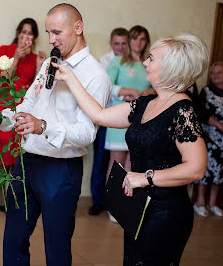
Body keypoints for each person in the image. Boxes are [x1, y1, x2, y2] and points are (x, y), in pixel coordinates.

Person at [52, 33, 208, 265]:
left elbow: (196, 168)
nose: (145, 62)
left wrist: (146, 178)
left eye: (152, 59)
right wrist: (71, 78)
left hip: (166, 213)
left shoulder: (183, 111)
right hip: (138, 207)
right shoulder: (145, 103)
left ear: (170, 68)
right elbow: (99, 115)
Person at [0, 3, 111, 266]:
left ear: (78, 28)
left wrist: (43, 126)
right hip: (26, 162)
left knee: (56, 246)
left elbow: (86, 133)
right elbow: (27, 105)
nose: (51, 40)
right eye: (48, 33)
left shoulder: (96, 75)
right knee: (13, 239)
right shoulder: (50, 62)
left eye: (57, 32)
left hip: (61, 171)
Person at [0, 18, 46, 211]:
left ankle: (14, 192)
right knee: (3, 149)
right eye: (24, 32)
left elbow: (37, 88)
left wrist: (39, 66)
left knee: (19, 149)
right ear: (18, 33)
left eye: (30, 33)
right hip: (4, 103)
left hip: (23, 106)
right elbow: (3, 78)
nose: (26, 36)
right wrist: (16, 57)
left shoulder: (36, 57)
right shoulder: (4, 51)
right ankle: (1, 190)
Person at [104, 25, 153, 221]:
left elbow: (155, 87)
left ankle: (125, 205)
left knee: (133, 164)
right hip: (119, 118)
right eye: (135, 38)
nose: (138, 42)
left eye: (142, 39)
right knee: (116, 164)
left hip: (141, 119)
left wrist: (148, 93)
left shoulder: (148, 64)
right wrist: (129, 91)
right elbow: (107, 86)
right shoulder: (118, 61)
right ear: (129, 40)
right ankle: (112, 205)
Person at [89, 27, 128, 216]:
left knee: (123, 162)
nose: (120, 47)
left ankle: (119, 202)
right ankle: (98, 200)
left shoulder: (133, 63)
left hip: (125, 119)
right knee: (100, 159)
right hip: (104, 115)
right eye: (117, 43)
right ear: (111, 43)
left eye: (123, 43)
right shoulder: (103, 61)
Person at [194, 62, 223, 217]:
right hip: (209, 135)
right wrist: (218, 124)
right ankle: (200, 203)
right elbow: (201, 112)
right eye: (213, 73)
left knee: (219, 171)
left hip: (222, 140)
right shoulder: (207, 91)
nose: (215, 76)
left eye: (219, 72)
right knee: (205, 169)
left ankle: (213, 203)